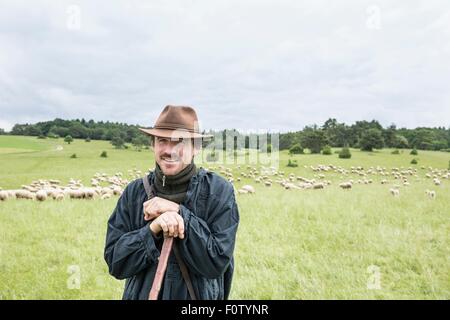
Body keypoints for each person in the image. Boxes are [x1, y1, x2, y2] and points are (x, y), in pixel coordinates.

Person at [104, 105, 239, 300]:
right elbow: (116, 262)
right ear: (153, 145)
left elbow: (216, 262)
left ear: (196, 148)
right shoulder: (134, 193)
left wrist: (179, 213)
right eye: (162, 141)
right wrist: (152, 230)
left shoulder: (218, 192)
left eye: (179, 142)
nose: (169, 150)